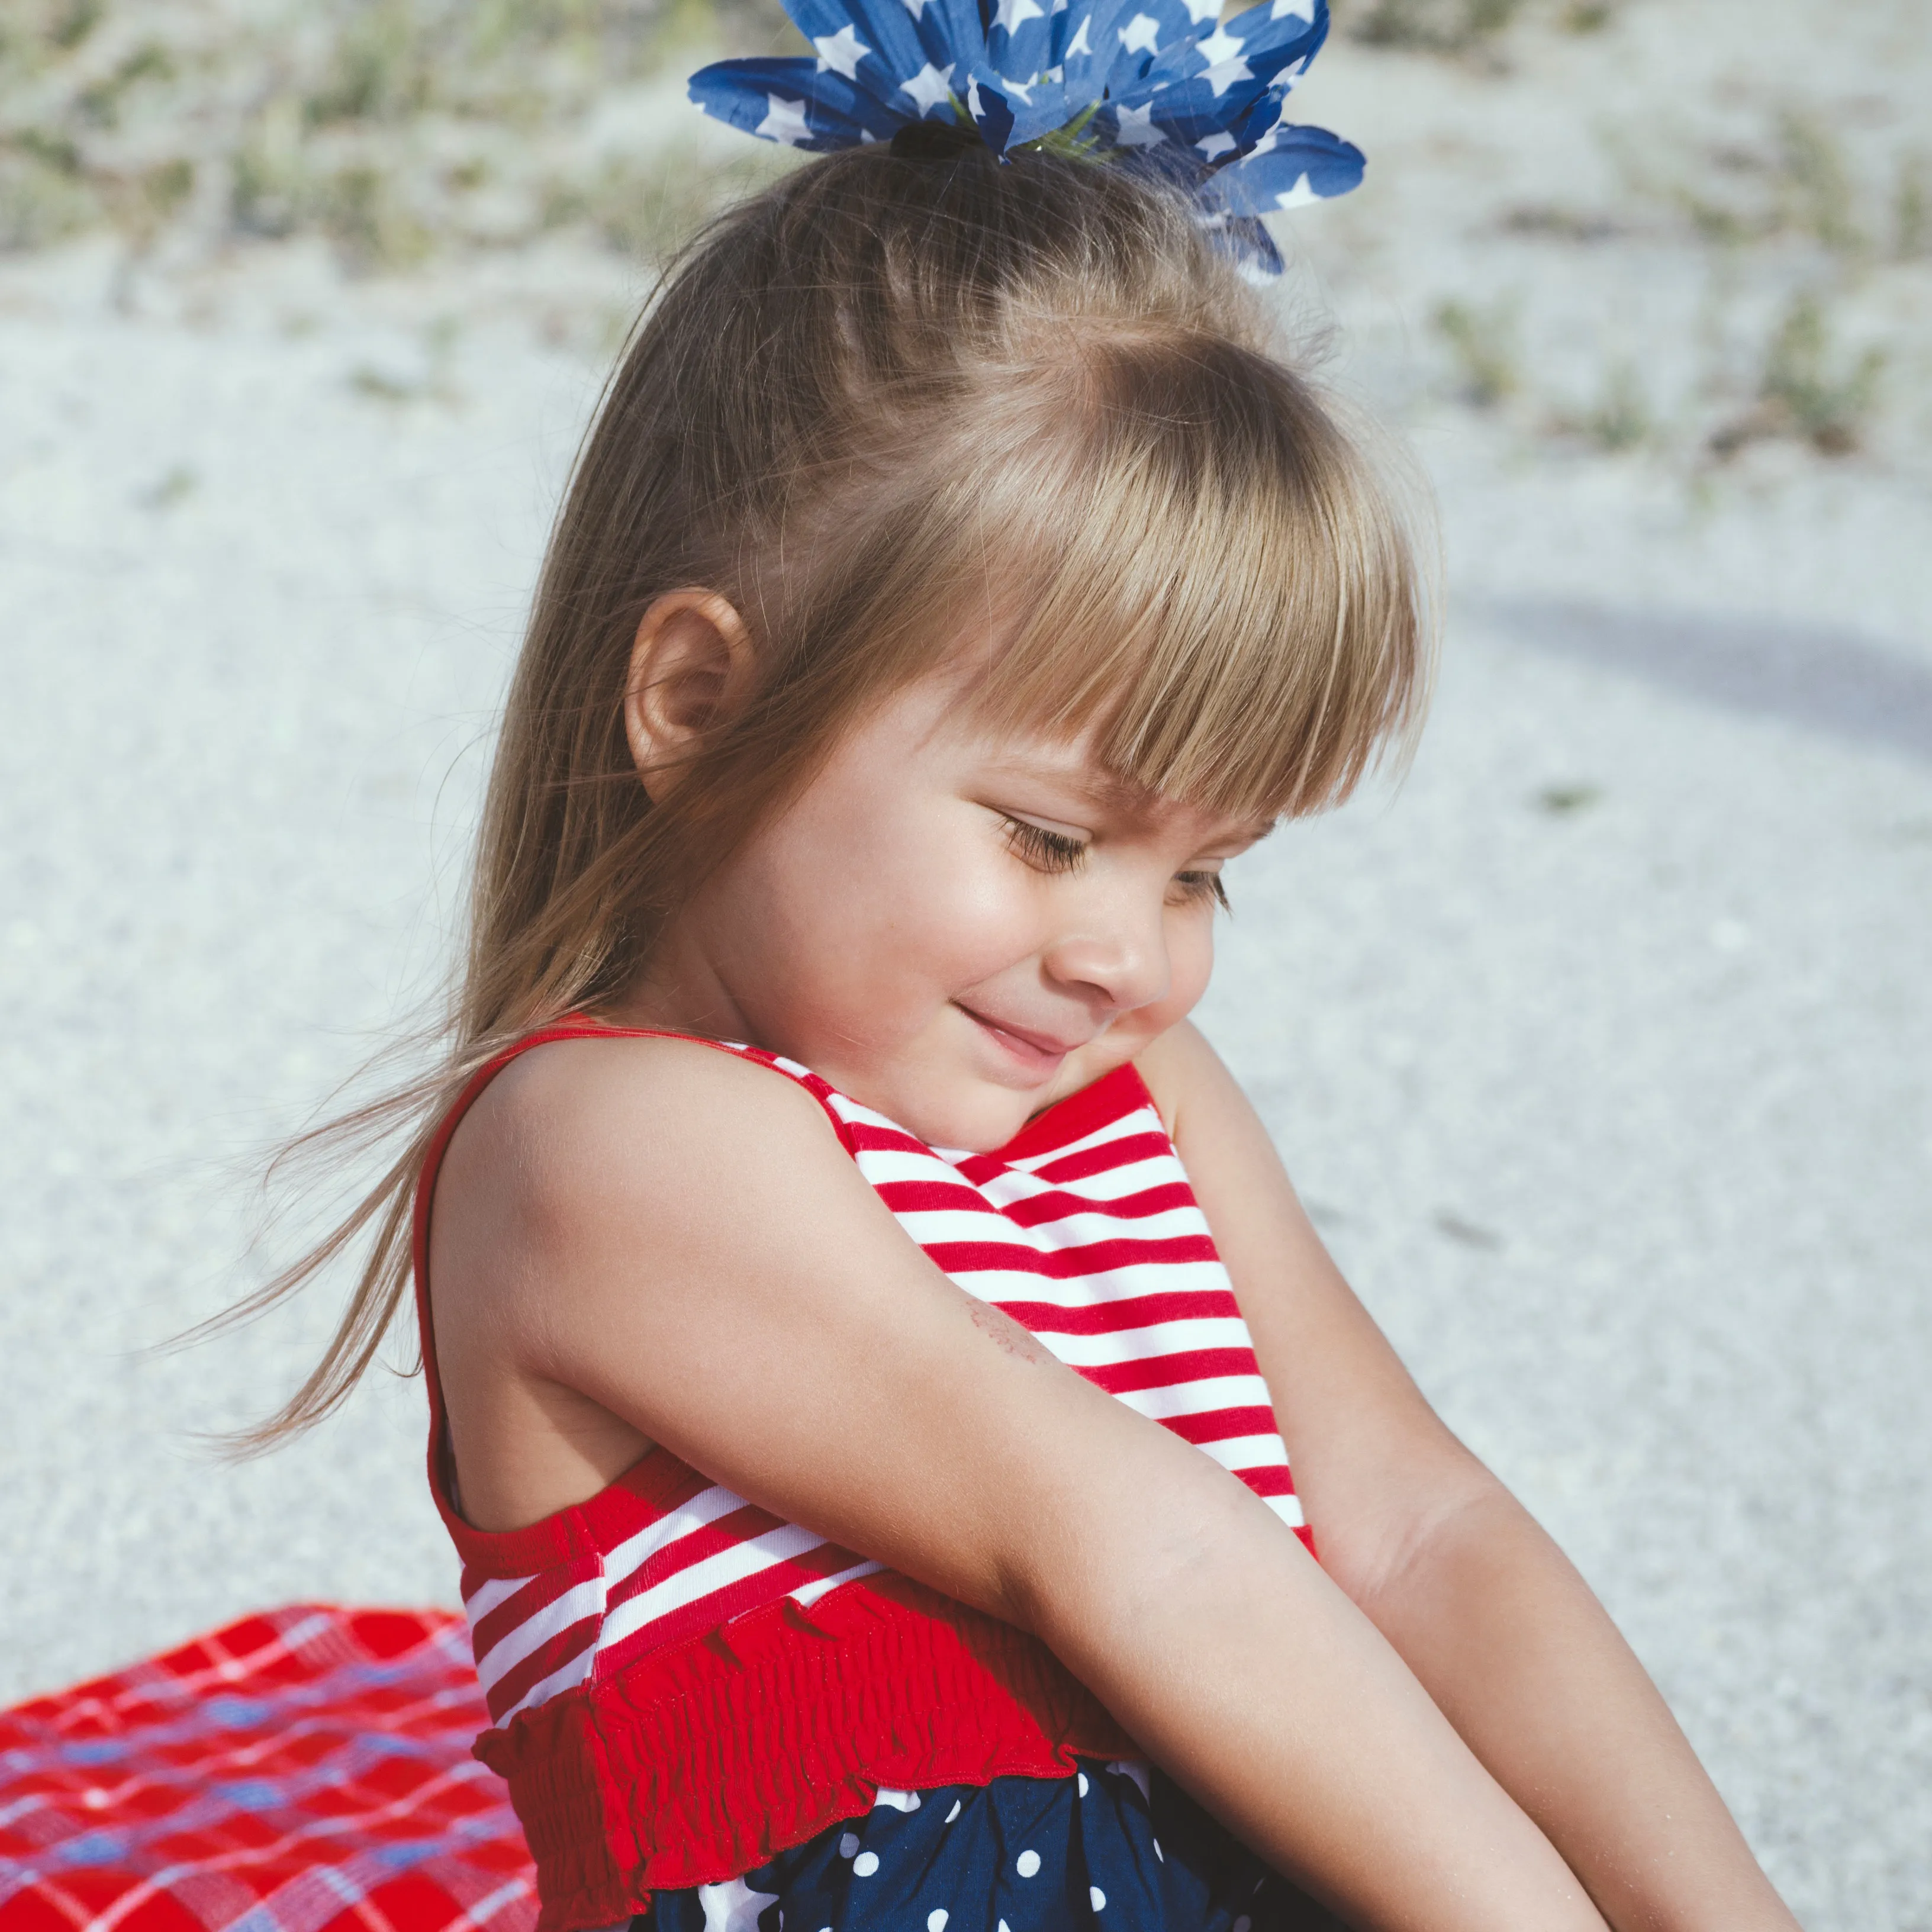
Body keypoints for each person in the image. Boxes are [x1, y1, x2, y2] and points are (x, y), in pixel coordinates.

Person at [231, 130, 1802, 1932]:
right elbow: (1132, 1550)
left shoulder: (1137, 1097)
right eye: (1051, 838)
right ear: (697, 702)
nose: (1130, 955)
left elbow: (1420, 1534)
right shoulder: (605, 1143)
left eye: (1212, 873)